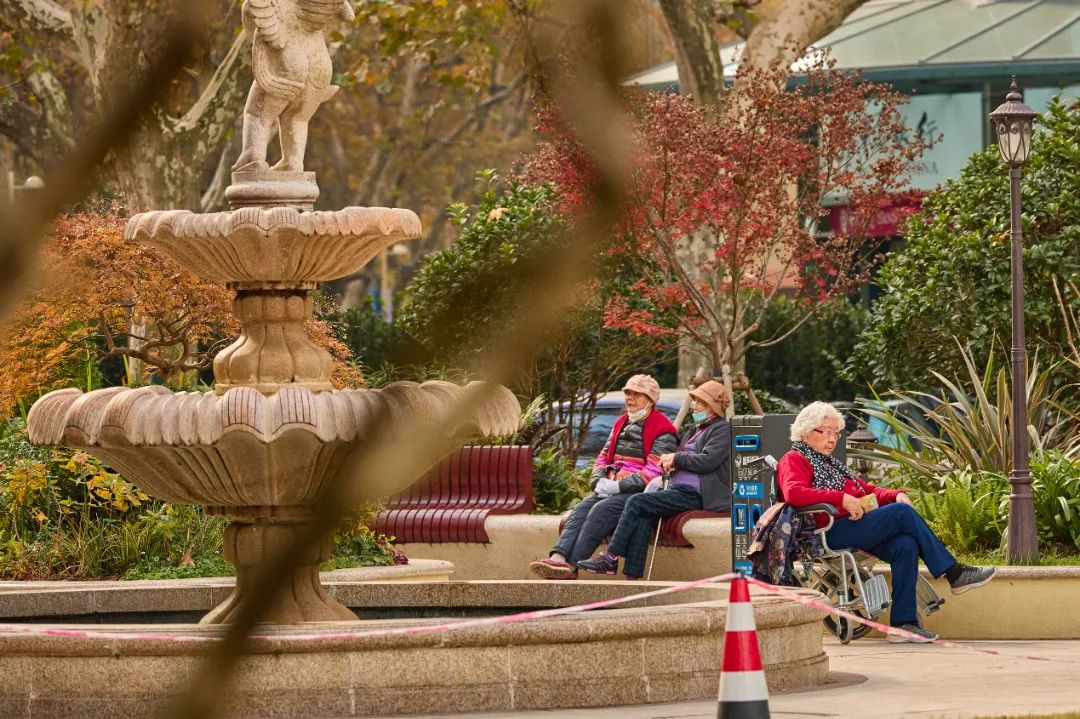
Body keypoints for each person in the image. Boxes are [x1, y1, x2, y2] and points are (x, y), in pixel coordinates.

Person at [776, 401, 997, 643]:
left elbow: (865, 489)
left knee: (905, 544)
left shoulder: (829, 463)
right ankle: (954, 573)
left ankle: (903, 625)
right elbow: (794, 493)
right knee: (901, 514)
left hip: (854, 528)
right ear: (806, 431)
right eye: (825, 432)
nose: (833, 438)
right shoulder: (795, 458)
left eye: (836, 433)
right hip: (827, 532)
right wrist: (842, 499)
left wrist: (895, 494)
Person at [577, 379, 732, 579]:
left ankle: (611, 556)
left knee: (636, 501)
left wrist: (676, 458)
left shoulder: (721, 429)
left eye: (700, 402)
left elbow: (708, 461)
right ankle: (632, 576)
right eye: (694, 401)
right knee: (644, 516)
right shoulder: (694, 431)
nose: (694, 406)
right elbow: (686, 460)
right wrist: (672, 463)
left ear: (712, 407)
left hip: (697, 494)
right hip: (678, 490)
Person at [529, 375, 677, 580]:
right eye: (627, 393)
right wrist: (598, 479)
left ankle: (571, 567)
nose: (630, 399)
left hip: (637, 493)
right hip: (609, 485)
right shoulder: (621, 422)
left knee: (600, 510)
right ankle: (558, 558)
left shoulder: (664, 431)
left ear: (650, 400)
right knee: (581, 509)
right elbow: (602, 457)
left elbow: (652, 473)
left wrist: (618, 487)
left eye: (636, 394)